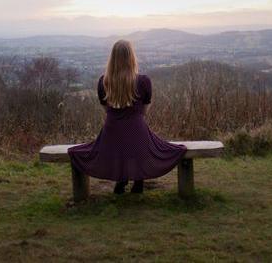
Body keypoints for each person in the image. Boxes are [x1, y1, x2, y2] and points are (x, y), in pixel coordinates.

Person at [68, 40, 187, 194]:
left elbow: (106, 109)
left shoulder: (103, 82)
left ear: (112, 58)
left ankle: (121, 181)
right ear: (132, 57)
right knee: (137, 140)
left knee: (119, 143)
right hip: (137, 130)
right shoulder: (143, 81)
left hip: (111, 132)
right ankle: (138, 183)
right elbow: (144, 111)